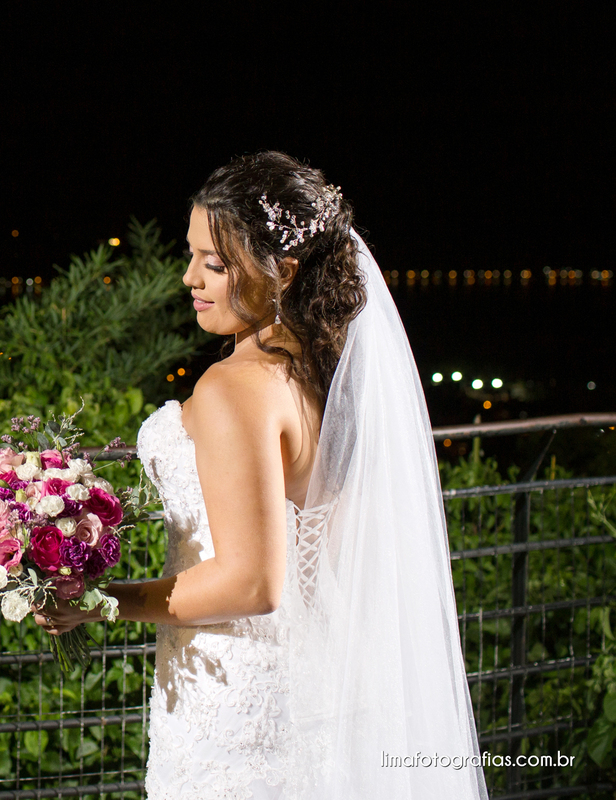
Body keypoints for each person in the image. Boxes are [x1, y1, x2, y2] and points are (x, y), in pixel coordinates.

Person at [36, 152, 487, 798]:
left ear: (284, 271)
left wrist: (101, 602)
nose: (189, 277)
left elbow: (252, 581)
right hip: (316, 691)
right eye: (191, 255)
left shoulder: (234, 388)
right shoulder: (323, 374)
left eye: (214, 264)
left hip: (232, 701)